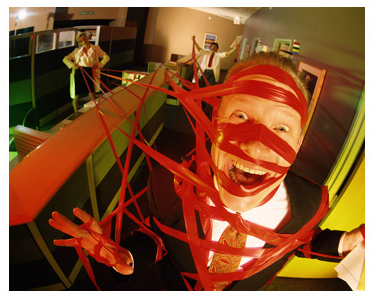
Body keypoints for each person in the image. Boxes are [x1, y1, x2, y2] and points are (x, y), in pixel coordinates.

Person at [49, 51, 364, 291]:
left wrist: (347, 242)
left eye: (281, 128)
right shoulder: (166, 184)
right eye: (240, 116)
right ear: (215, 121)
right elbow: (157, 235)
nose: (255, 148)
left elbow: (303, 240)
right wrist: (127, 257)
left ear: (299, 141)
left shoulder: (309, 202)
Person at [63, 31, 110, 112]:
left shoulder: (95, 48)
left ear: (87, 38)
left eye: (84, 39)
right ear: (79, 42)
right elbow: (65, 59)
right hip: (79, 73)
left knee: (91, 93)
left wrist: (98, 65)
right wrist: (74, 65)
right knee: (76, 95)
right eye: (81, 41)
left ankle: (95, 110)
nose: (83, 42)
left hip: (90, 72)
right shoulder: (77, 51)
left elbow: (106, 57)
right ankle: (76, 112)